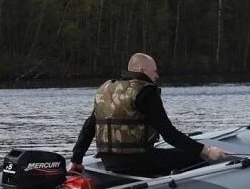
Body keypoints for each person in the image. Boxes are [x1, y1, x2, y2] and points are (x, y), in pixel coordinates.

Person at [69, 53, 227, 176]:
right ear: (142, 71)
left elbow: (89, 126)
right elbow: (169, 134)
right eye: (154, 71)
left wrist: (76, 159)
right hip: (138, 162)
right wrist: (205, 151)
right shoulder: (145, 92)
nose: (157, 75)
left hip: (109, 161)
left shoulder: (106, 90)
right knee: (195, 157)